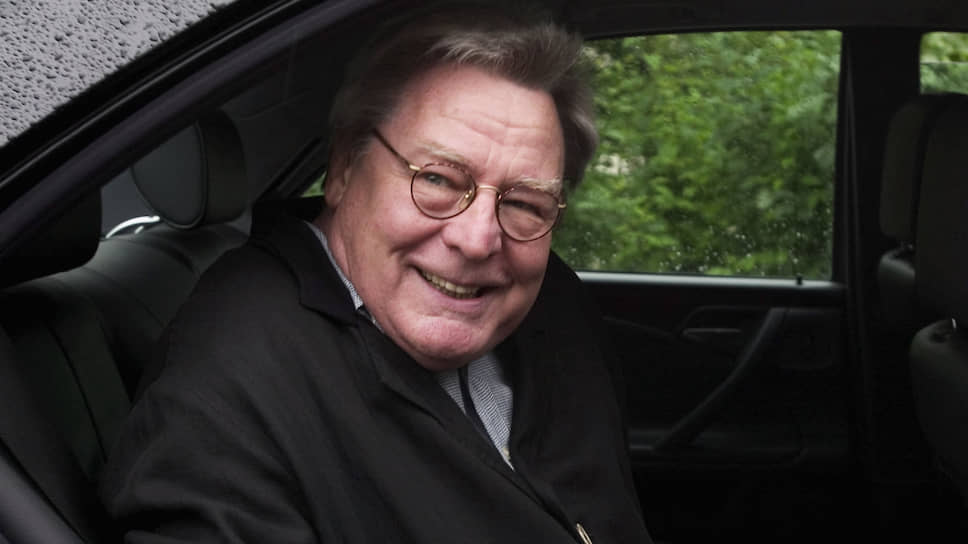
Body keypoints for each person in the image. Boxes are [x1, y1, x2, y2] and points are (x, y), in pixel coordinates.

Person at [99, 3, 653, 543]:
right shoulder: (229, 394)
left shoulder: (552, 302)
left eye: (525, 203)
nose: (478, 238)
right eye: (438, 179)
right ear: (344, 168)